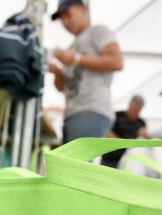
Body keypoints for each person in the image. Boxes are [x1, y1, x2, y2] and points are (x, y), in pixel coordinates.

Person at [48, 0, 124, 144]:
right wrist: (57, 71)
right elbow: (62, 88)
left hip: (91, 110)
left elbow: (117, 62)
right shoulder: (71, 47)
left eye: (68, 15)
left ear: (82, 10)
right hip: (72, 113)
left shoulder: (98, 31)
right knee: (68, 165)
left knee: (73, 165)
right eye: (62, 18)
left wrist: (75, 59)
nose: (65, 21)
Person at [101, 95, 146, 168]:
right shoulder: (117, 116)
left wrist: (145, 135)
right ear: (129, 105)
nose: (135, 113)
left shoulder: (141, 123)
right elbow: (107, 131)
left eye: (138, 111)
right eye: (134, 110)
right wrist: (124, 142)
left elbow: (146, 141)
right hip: (110, 157)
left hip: (128, 160)